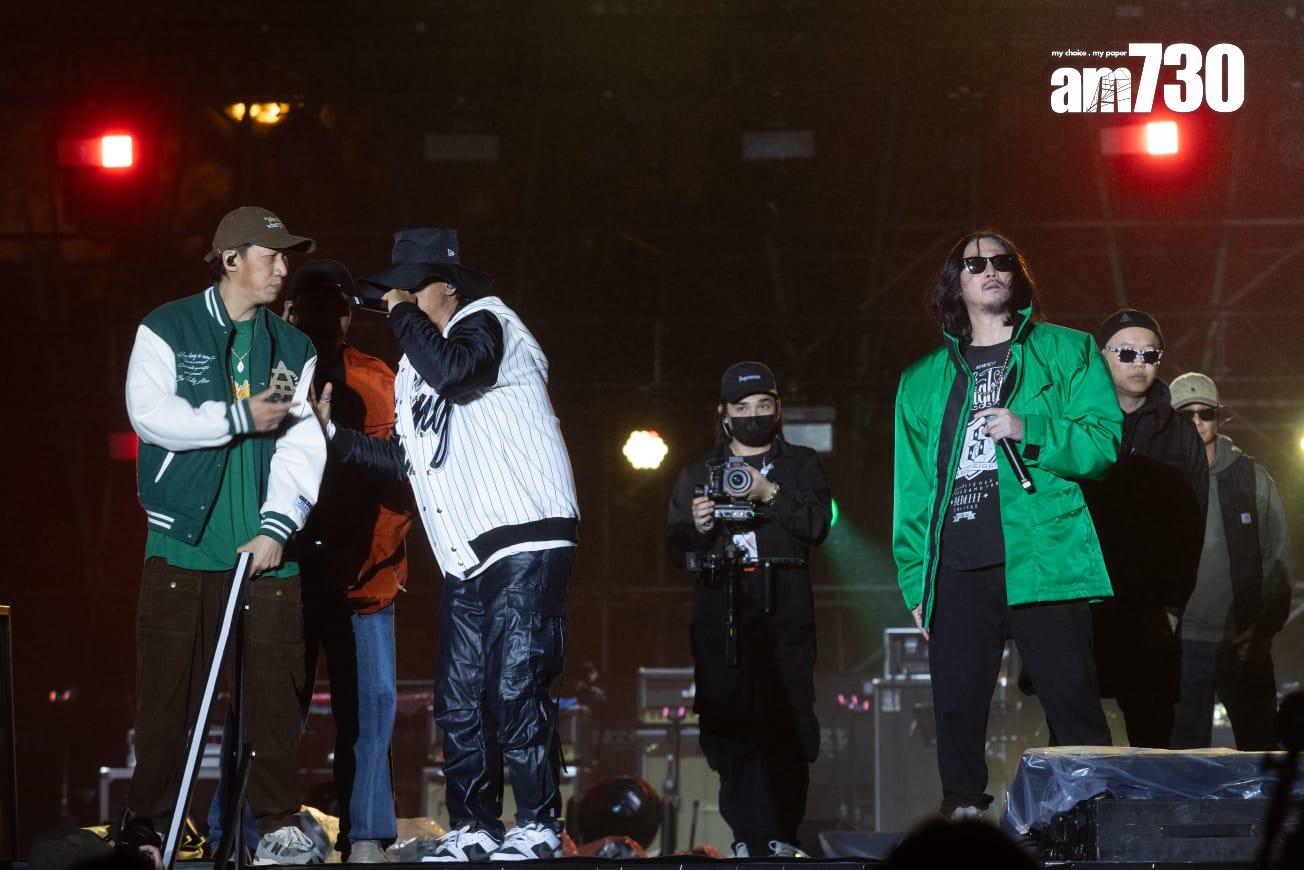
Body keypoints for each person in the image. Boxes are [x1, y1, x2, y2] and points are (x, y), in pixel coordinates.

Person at [319, 228, 579, 861]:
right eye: (394, 293)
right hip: (464, 553)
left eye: (411, 288)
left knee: (514, 685)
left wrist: (402, 315)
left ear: (448, 285)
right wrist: (333, 437)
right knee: (459, 698)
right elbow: (408, 460)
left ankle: (539, 824)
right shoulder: (414, 370)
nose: (399, 301)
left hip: (525, 534)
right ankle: (475, 828)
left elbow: (459, 373)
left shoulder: (491, 323)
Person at [122, 206, 326, 862]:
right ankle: (148, 827)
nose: (283, 268)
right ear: (231, 259)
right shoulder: (169, 327)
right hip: (184, 549)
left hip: (265, 557)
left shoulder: (292, 348)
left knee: (273, 704)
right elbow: (150, 415)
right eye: (271, 254)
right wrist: (237, 416)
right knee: (167, 704)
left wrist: (277, 527)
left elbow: (300, 442)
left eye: (287, 256)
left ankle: (279, 825)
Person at [892, 230, 1119, 819]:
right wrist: (917, 581)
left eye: (1001, 261)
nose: (989, 269)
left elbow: (1102, 445)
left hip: (1043, 552)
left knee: (1070, 696)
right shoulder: (921, 380)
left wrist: (1028, 427)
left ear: (1016, 275)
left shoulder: (1068, 350)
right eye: (974, 264)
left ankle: (1093, 813)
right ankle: (963, 811)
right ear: (956, 283)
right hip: (959, 564)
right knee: (956, 703)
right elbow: (912, 491)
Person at [667, 362, 832, 858]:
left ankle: (782, 837)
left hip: (785, 616)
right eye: (742, 407)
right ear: (723, 414)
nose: (753, 415)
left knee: (788, 727)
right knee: (728, 729)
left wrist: (768, 492)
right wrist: (697, 528)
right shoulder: (699, 472)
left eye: (764, 404)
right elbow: (674, 550)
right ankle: (745, 839)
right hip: (723, 619)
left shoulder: (801, 464)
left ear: (778, 409)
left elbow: (817, 526)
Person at [1077, 309, 1207, 747]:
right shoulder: (1075, 420)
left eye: (1150, 354)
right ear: (1102, 355)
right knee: (1073, 736)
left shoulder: (1180, 433)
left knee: (1152, 739)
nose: (1139, 362)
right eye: (1127, 352)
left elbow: (1194, 523)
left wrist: (1172, 606)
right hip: (1084, 599)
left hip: (1149, 610)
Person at [1169, 372, 1293, 750]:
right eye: (1185, 414)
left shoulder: (1251, 478)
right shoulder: (1156, 479)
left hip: (1241, 642)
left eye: (1205, 413)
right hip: (1179, 644)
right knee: (1181, 759)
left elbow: (1277, 561)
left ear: (1219, 416)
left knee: (1260, 748)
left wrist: (1262, 630)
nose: (1196, 422)